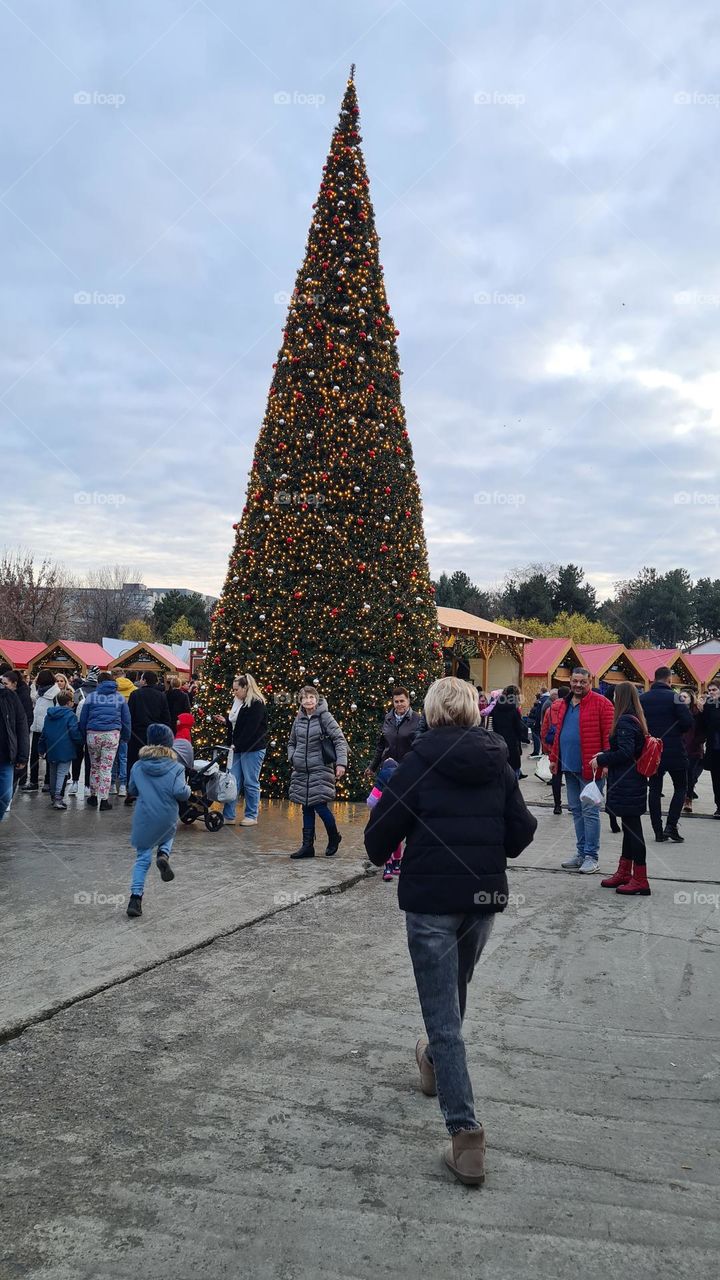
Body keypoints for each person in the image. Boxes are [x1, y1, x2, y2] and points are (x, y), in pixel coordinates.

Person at [364, 676, 537, 1186]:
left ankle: (466, 1137)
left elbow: (378, 842)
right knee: (451, 996)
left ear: (431, 712)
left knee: (443, 1018)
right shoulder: (497, 760)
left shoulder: (418, 762)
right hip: (480, 902)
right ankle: (434, 1062)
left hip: (432, 904)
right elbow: (522, 833)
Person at [547, 668, 613, 873]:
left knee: (590, 812)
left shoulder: (603, 704)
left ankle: (592, 856)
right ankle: (581, 853)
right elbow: (558, 734)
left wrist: (605, 762)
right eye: (575, 681)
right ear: (570, 681)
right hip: (568, 765)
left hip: (591, 769)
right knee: (576, 810)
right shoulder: (564, 703)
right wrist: (553, 758)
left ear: (590, 681)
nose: (578, 685)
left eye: (582, 682)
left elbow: (609, 737)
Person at [126, 723, 191, 919]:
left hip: (144, 818)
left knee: (142, 859)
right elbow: (181, 793)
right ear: (169, 744)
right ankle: (163, 853)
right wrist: (188, 789)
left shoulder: (138, 766)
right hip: (167, 816)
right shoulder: (177, 767)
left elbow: (132, 790)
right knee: (168, 832)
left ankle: (135, 899)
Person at [591, 682, 651, 896]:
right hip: (632, 781)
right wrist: (604, 755)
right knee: (629, 828)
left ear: (621, 697)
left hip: (628, 782)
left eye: (615, 695)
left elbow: (625, 753)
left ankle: (640, 880)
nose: (613, 698)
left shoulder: (625, 720)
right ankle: (625, 872)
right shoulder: (636, 718)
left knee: (634, 831)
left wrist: (603, 759)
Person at [288, 686, 348, 859]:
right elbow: (291, 742)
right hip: (301, 770)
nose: (308, 700)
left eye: (311, 697)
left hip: (320, 769)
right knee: (306, 807)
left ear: (317, 699)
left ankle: (333, 837)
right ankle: (307, 846)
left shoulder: (325, 717)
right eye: (304, 698)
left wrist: (341, 764)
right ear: (300, 701)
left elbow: (339, 740)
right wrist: (293, 757)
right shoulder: (298, 719)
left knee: (320, 806)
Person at [640, 666, 693, 843]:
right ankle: (671, 826)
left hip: (652, 751)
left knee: (654, 789)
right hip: (675, 750)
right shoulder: (676, 698)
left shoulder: (643, 698)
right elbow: (687, 722)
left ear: (654, 679)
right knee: (680, 787)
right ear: (669, 680)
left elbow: (639, 723)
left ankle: (657, 830)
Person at [215, 673, 268, 826]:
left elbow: (250, 729)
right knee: (232, 782)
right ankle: (229, 815)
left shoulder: (256, 704)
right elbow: (237, 726)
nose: (234, 692)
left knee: (250, 782)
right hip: (237, 748)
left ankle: (252, 815)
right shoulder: (240, 703)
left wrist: (235, 744)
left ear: (246, 687)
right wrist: (226, 722)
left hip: (252, 749)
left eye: (236, 689)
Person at [78, 672, 131, 810]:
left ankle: (93, 796)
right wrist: (126, 736)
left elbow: (83, 719)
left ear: (98, 683)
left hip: (93, 734)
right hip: (111, 734)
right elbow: (126, 720)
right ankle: (104, 800)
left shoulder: (91, 697)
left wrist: (84, 735)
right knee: (106, 768)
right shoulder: (119, 698)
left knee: (94, 766)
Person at [125, 672, 172, 805]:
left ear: (144, 681)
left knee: (133, 762)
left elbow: (130, 716)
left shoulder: (135, 695)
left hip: (137, 733)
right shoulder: (161, 696)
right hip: (154, 735)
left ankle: (132, 790)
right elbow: (166, 717)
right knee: (153, 762)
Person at [38, 691, 83, 810]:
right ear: (69, 703)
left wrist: (41, 748)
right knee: (62, 773)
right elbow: (74, 732)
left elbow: (44, 732)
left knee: (52, 772)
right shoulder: (71, 716)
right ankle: (58, 798)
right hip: (66, 748)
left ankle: (53, 796)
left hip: (51, 748)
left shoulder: (49, 715)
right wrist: (80, 742)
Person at [368, 688, 421, 775]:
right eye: (396, 702)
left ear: (408, 701)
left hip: (408, 770)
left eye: (402, 701)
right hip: (388, 770)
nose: (399, 704)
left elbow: (421, 746)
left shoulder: (417, 719)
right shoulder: (388, 718)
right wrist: (372, 767)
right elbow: (381, 745)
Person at [22, 669, 59, 792]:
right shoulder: (40, 693)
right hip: (37, 728)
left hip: (49, 730)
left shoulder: (55, 694)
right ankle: (33, 781)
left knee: (49, 756)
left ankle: (48, 782)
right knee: (34, 756)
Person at [366, 756, 402, 880]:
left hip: (384, 817)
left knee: (386, 841)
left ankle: (388, 867)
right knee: (397, 841)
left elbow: (371, 801)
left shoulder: (381, 779)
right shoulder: (402, 778)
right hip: (399, 817)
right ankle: (397, 866)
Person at [0, 676, 29, 821]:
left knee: (5, 796)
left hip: (6, 755)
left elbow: (21, 724)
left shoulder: (9, 696)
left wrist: (23, 755)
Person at [490, 685, 528, 778]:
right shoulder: (514, 708)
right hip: (512, 740)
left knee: (503, 764)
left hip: (499, 738)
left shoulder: (497, 706)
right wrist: (523, 737)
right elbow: (518, 726)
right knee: (514, 766)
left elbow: (493, 723)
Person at [541, 687, 567, 814]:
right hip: (569, 747)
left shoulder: (550, 709)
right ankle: (574, 804)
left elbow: (544, 729)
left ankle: (557, 805)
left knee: (556, 776)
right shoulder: (571, 708)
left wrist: (546, 748)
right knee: (573, 777)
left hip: (554, 747)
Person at [111, 671, 136, 798]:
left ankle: (111, 784)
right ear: (124, 675)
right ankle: (122, 785)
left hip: (112, 727)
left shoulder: (111, 693)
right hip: (125, 726)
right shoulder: (134, 690)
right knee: (123, 757)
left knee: (113, 758)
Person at [680, 689, 705, 814]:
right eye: (680, 697)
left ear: (691, 699)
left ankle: (688, 798)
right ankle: (684, 796)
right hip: (680, 748)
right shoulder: (677, 712)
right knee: (683, 775)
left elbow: (702, 730)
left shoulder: (697, 713)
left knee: (690, 774)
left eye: (685, 696)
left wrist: (697, 741)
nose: (682, 699)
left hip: (694, 749)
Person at [701, 682, 720, 818]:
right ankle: (719, 806)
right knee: (716, 779)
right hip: (714, 748)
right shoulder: (709, 706)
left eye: (714, 690)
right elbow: (704, 725)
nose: (711, 692)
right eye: (710, 690)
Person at [525, 688, 545, 759]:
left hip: (534, 722)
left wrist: (530, 714)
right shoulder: (539, 703)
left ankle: (537, 751)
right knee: (537, 736)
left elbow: (536, 714)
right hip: (535, 722)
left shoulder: (538, 703)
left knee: (536, 736)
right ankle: (538, 751)